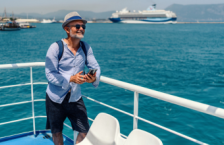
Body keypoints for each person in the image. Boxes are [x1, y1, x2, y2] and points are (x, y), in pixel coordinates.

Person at [45, 12, 101, 145]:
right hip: (55, 98)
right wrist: (71, 78)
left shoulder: (86, 47)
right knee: (57, 132)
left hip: (75, 97)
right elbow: (49, 74)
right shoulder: (55, 48)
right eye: (77, 26)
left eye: (83, 26)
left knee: (84, 131)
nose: (81, 28)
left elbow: (95, 67)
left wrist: (92, 78)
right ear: (67, 29)